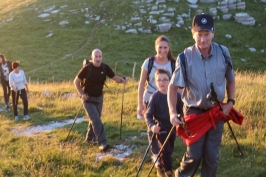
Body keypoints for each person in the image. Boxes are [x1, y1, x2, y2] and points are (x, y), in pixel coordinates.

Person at [167, 13, 236, 177]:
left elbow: (231, 80)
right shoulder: (185, 57)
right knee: (195, 155)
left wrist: (230, 102)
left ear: (213, 33)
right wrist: (172, 113)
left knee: (212, 157)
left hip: (216, 112)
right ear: (193, 34)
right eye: (199, 35)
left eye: (206, 34)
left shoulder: (223, 53)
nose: (203, 39)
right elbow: (172, 88)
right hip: (194, 113)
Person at [74, 49, 126, 152]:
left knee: (94, 119)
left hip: (99, 98)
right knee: (96, 119)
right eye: (96, 57)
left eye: (100, 57)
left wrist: (122, 80)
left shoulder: (104, 67)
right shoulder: (87, 68)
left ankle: (89, 139)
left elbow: (114, 78)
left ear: (102, 57)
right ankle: (102, 142)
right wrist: (82, 94)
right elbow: (76, 81)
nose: (98, 59)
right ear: (92, 57)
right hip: (88, 98)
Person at [137, 35, 176, 166]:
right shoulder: (148, 62)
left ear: (169, 48)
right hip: (149, 99)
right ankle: (156, 154)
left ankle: (166, 151)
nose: (163, 50)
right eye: (160, 47)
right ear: (156, 47)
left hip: (167, 100)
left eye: (165, 47)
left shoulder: (173, 63)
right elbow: (141, 83)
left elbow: (178, 84)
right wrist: (140, 104)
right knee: (152, 126)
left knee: (167, 126)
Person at [145, 69, 183, 177]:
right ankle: (168, 172)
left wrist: (182, 122)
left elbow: (182, 111)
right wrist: (152, 126)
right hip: (160, 128)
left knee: (169, 150)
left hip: (173, 128)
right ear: (156, 82)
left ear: (170, 80)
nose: (162, 83)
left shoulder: (177, 96)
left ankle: (160, 166)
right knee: (165, 149)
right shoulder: (155, 97)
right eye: (159, 80)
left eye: (165, 80)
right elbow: (148, 115)